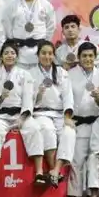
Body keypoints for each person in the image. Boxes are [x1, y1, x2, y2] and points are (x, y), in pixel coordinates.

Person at [0, 41, 38, 187]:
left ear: (17, 56)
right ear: (1, 56)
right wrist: (1, 97)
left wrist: (22, 118)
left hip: (20, 114)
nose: (9, 55)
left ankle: (39, 172)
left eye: (12, 53)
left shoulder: (25, 74)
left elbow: (29, 97)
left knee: (34, 129)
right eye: (6, 53)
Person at [66, 42, 99, 197]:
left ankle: (94, 196)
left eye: (90, 56)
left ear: (95, 57)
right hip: (79, 122)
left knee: (96, 159)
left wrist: (98, 98)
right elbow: (66, 97)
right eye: (84, 56)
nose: (87, 59)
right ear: (79, 58)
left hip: (98, 123)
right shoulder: (70, 74)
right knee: (77, 160)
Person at [27, 41, 77, 186]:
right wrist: (38, 94)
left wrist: (67, 117)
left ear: (54, 55)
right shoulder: (30, 74)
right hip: (40, 113)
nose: (47, 56)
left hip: (59, 113)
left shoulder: (62, 73)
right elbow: (28, 98)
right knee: (47, 130)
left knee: (69, 132)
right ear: (38, 55)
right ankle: (51, 167)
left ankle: (56, 169)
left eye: (50, 53)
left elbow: (68, 96)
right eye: (43, 53)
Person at [1, 0, 57, 69]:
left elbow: (51, 26)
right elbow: (7, 27)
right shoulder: (12, 6)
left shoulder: (45, 5)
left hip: (39, 52)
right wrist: (14, 44)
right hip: (19, 51)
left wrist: (44, 45)